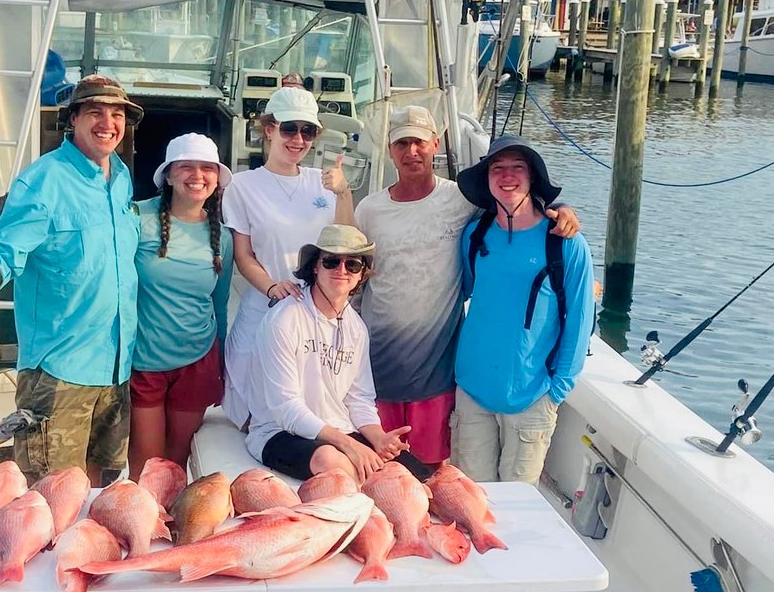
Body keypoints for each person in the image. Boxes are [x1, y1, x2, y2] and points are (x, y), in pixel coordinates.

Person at [0, 74, 142, 487]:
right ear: (71, 119)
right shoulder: (42, 182)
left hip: (116, 369)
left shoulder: (121, 177)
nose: (107, 123)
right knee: (51, 495)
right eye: (94, 112)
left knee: (100, 488)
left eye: (117, 114)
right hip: (59, 374)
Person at [354, 106, 579, 470]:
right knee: (380, 472)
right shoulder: (368, 210)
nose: (412, 151)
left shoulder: (462, 200)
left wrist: (560, 207)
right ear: (390, 150)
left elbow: (515, 196)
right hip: (376, 369)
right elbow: (355, 279)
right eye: (402, 143)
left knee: (432, 472)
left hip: (438, 374)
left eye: (420, 142)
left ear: (435, 144)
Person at [451, 136, 595, 484]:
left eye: (518, 167)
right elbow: (466, 288)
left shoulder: (566, 242)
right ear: (486, 180)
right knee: (470, 502)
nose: (507, 176)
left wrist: (557, 390)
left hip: (532, 395)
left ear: (532, 178)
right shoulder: (474, 234)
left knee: (514, 509)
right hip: (472, 390)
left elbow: (579, 321)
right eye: (497, 168)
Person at [245, 224, 422, 483]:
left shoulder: (356, 327)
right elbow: (285, 408)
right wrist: (349, 446)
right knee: (330, 460)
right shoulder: (284, 319)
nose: (342, 270)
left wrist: (377, 437)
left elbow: (359, 398)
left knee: (419, 476)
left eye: (352, 265)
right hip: (277, 432)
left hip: (337, 430)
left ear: (361, 274)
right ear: (315, 266)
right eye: (331, 261)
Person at [221, 86, 353, 428]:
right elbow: (244, 254)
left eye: (307, 131)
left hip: (315, 313)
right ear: (269, 130)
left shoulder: (323, 182)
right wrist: (271, 287)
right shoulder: (243, 186)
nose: (298, 139)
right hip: (266, 308)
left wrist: (343, 192)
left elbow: (346, 242)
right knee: (256, 414)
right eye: (289, 128)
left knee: (307, 414)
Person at [128, 134, 234, 480]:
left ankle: (171, 532)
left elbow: (219, 305)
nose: (197, 175)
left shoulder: (224, 236)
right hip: (144, 361)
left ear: (217, 179)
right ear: (168, 175)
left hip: (198, 359)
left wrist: (220, 364)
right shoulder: (136, 218)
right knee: (146, 467)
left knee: (176, 465)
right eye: (186, 166)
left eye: (207, 168)